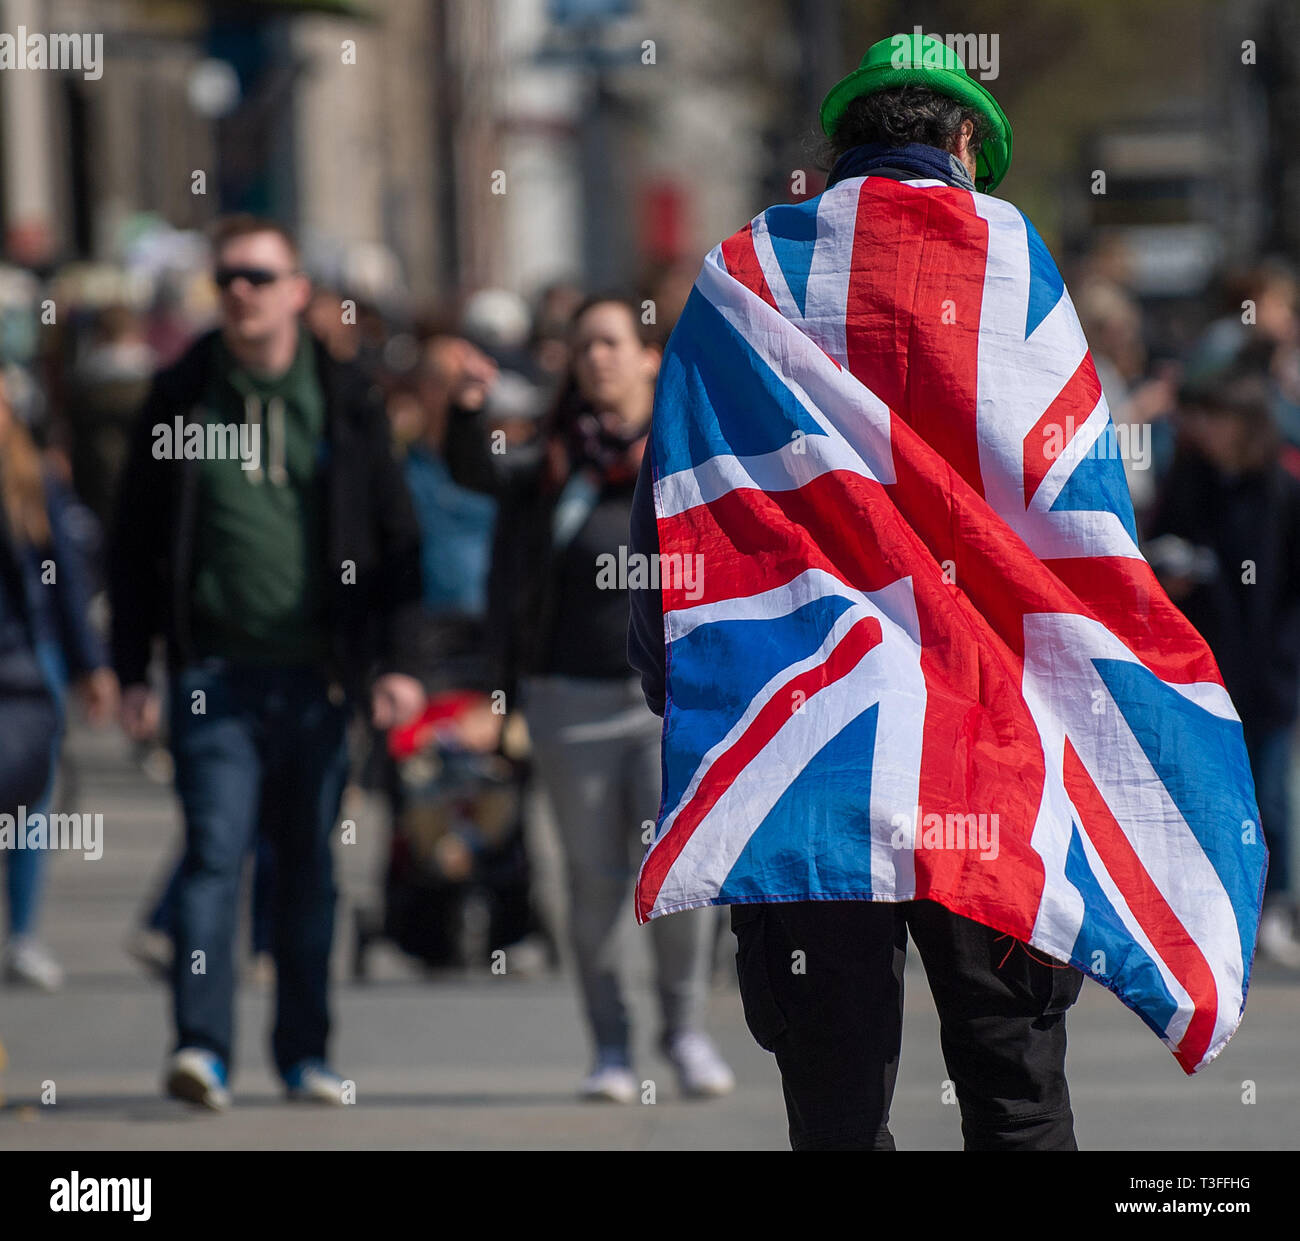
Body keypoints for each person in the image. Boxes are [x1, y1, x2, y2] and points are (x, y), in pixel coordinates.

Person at [629, 34, 1093, 1150]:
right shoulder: (1011, 265)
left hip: (802, 741)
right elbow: (1081, 522)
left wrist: (681, 690)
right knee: (1015, 1090)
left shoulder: (742, 276)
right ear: (965, 141)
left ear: (839, 147)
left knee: (832, 1110)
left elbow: (676, 506)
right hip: (987, 742)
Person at [109, 214, 426, 1111]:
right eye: (228, 279)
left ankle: (303, 1054)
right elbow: (132, 546)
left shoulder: (344, 396)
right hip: (211, 675)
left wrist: (396, 663)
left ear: (296, 292)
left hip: (320, 677)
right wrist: (132, 670)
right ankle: (201, 1047)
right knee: (214, 852)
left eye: (259, 276)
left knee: (307, 867)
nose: (241, 292)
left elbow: (398, 540)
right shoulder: (180, 394)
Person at [446, 294, 734, 1102]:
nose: (595, 358)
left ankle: (684, 1033)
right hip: (567, 700)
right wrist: (467, 416)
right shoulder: (551, 462)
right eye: (583, 347)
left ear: (650, 355)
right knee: (595, 880)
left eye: (610, 342)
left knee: (680, 876)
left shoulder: (687, 446)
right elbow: (479, 471)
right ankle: (610, 1047)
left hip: (675, 706)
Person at [1146, 371, 1300, 966]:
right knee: (1202, 791)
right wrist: (1172, 570)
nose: (1197, 428)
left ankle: (1276, 906)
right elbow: (1155, 545)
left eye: (1210, 417)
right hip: (1202, 665)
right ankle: (1209, 907)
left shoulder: (1282, 484)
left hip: (1270, 670)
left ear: (1241, 423)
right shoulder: (1190, 477)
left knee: (1270, 795)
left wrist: (1285, 658)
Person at [0, 376, 117, 989]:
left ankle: (24, 934)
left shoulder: (34, 480)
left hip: (28, 660)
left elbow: (66, 582)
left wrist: (89, 665)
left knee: (29, 802)